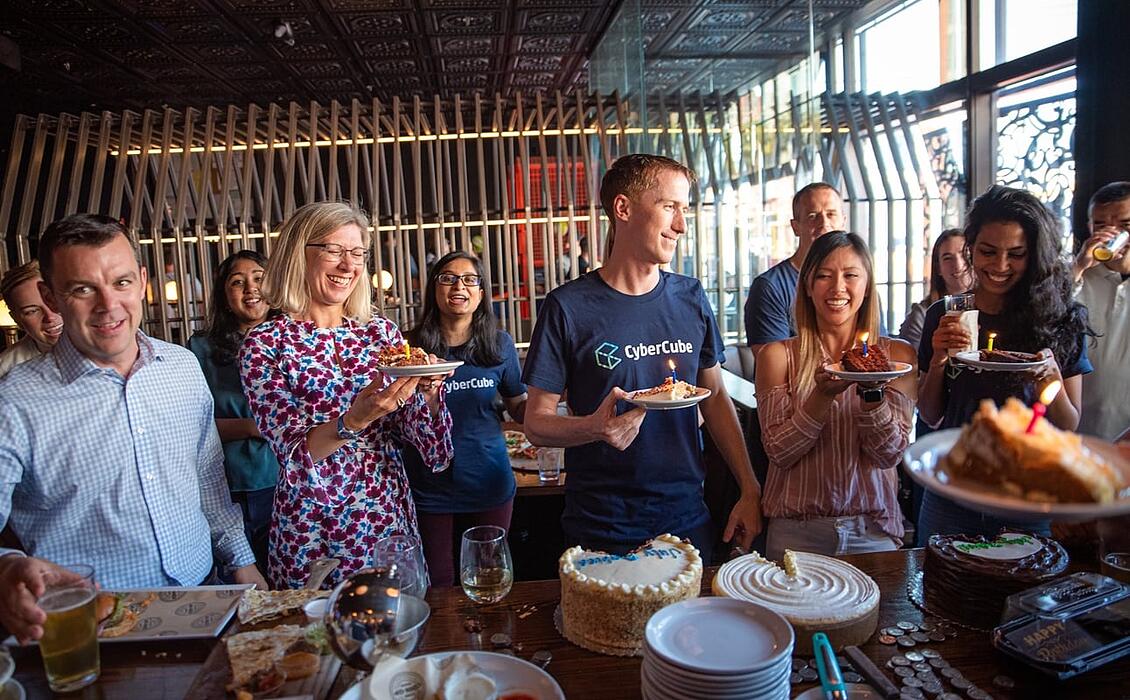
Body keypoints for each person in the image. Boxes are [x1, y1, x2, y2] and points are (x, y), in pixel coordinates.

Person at [0, 214, 263, 643]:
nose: (109, 305)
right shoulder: (14, 401)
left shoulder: (181, 367)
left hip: (204, 598)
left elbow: (207, 477)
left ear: (142, 281)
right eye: (83, 289)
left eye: (121, 282)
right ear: (50, 296)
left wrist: (242, 561)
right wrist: (7, 566)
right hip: (91, 625)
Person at [522, 154, 762, 563]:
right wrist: (594, 428)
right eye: (669, 207)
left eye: (683, 210)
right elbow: (536, 423)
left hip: (686, 516)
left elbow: (716, 396)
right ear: (623, 208)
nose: (682, 226)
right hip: (600, 523)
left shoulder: (690, 297)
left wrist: (750, 489)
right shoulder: (568, 306)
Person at [240, 202, 453, 590]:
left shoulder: (380, 335)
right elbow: (294, 457)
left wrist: (431, 392)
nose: (348, 265)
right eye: (334, 251)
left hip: (386, 520)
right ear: (297, 253)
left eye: (357, 253)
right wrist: (355, 419)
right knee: (318, 644)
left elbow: (434, 453)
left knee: (395, 636)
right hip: (312, 530)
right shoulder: (265, 344)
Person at [916, 185, 1095, 542]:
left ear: (1035, 255)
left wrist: (1050, 377)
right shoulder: (948, 313)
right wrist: (938, 360)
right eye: (987, 251)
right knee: (943, 589)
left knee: (1021, 593)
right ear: (970, 247)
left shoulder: (1060, 318)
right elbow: (930, 414)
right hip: (955, 489)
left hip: (1025, 494)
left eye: (1016, 254)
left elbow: (1069, 422)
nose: (999, 266)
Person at [756, 232, 916, 559]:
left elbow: (889, 454)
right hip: (796, 534)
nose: (838, 287)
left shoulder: (897, 357)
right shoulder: (777, 356)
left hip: (872, 530)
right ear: (808, 287)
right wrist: (820, 397)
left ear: (868, 286)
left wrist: (873, 393)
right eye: (824, 276)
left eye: (851, 275)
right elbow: (778, 451)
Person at [404, 251, 527, 587]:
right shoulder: (409, 346)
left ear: (481, 293)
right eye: (448, 277)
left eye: (470, 279)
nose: (459, 285)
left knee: (489, 577)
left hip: (488, 478)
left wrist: (554, 401)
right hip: (428, 483)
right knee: (438, 581)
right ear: (434, 288)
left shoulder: (499, 345)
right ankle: (447, 642)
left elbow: (519, 407)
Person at [188, 250, 279, 576]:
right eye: (237, 282)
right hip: (228, 483)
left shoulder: (296, 340)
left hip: (286, 480)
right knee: (241, 581)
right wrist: (253, 427)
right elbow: (191, 425)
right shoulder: (200, 349)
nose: (250, 288)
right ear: (225, 296)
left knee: (289, 580)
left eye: (259, 278)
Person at [745, 183, 887, 359]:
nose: (824, 223)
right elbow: (773, 362)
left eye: (831, 214)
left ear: (843, 221)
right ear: (795, 226)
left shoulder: (859, 283)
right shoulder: (770, 287)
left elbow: (874, 348)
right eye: (813, 216)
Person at [1072, 182, 1130, 440]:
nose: (1112, 234)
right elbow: (1043, 316)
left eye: (1125, 225)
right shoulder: (1077, 278)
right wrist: (1079, 266)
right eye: (1101, 226)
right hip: (1080, 432)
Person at [897, 229, 974, 350]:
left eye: (965, 255)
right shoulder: (922, 315)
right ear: (938, 268)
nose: (958, 264)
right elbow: (910, 365)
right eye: (948, 258)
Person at [0, 260, 63, 378]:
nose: (50, 317)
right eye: (32, 311)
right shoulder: (5, 370)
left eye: (54, 301)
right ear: (16, 319)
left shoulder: (105, 345)